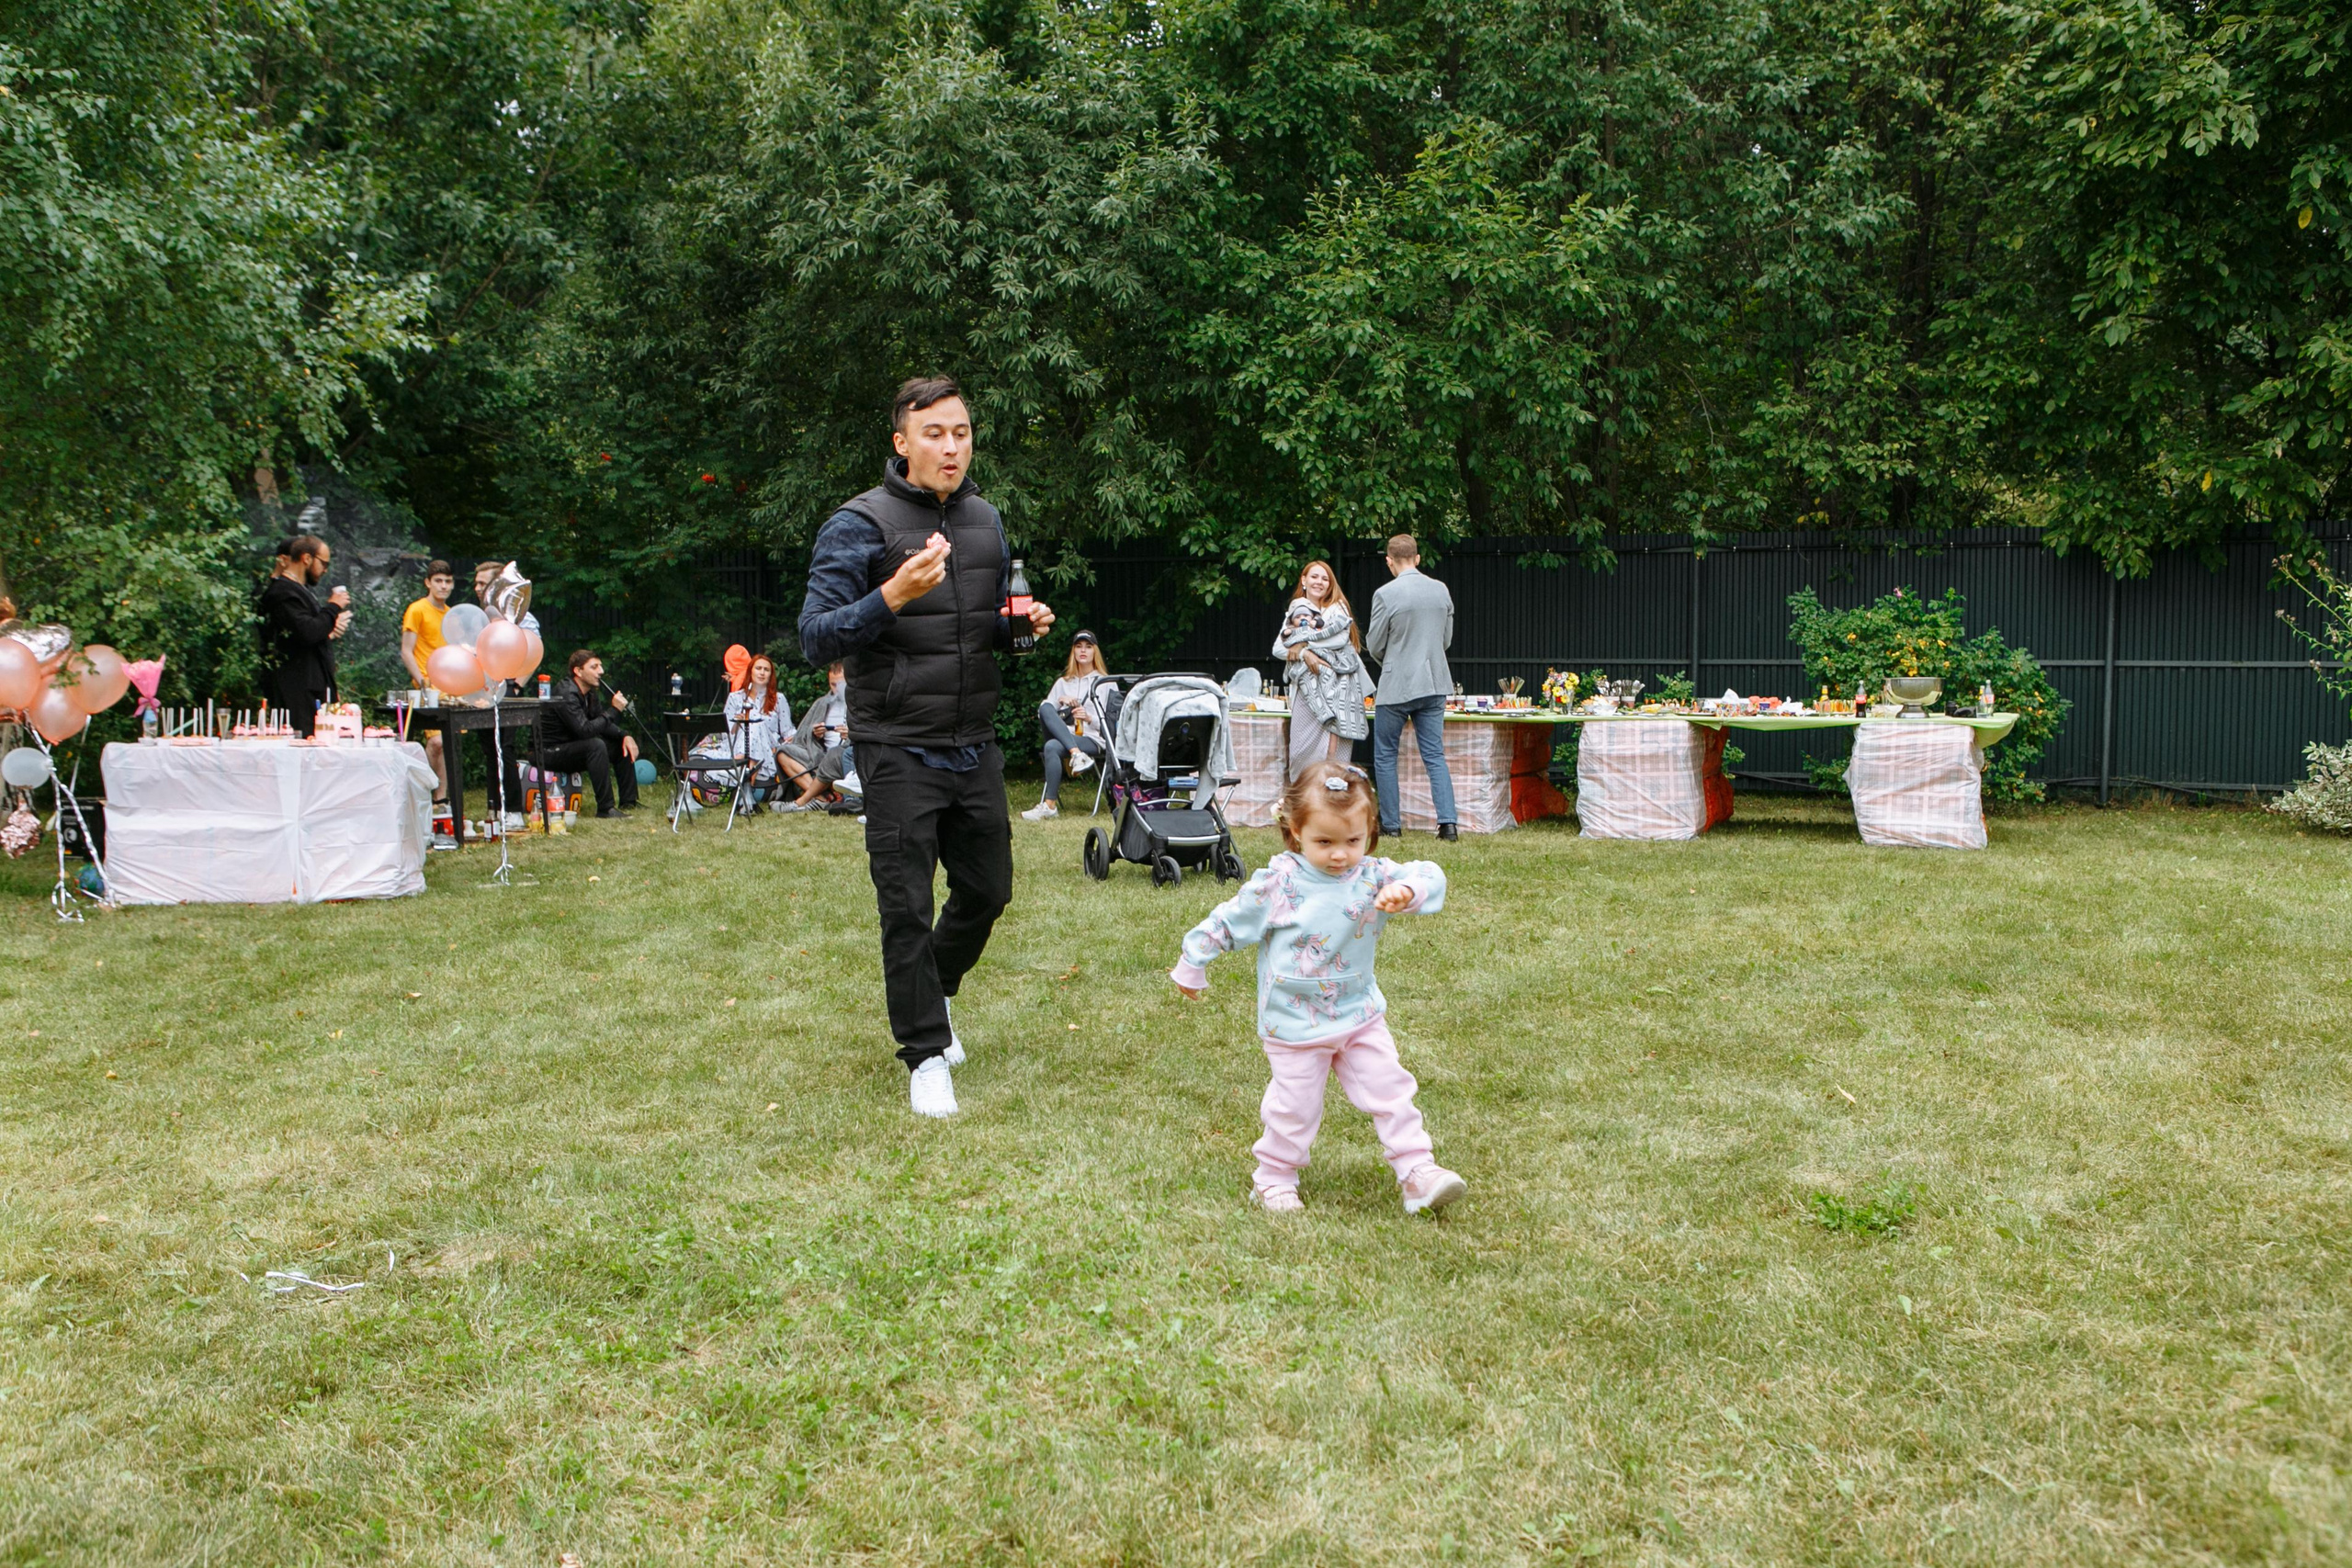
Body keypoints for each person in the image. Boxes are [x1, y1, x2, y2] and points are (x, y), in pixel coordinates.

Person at [798, 375, 1056, 1119]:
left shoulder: (984, 518)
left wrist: (1019, 629)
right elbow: (817, 634)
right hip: (895, 742)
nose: (951, 446)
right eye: (935, 433)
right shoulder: (859, 524)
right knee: (905, 904)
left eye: (962, 432)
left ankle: (934, 992)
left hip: (972, 741)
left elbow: (981, 628)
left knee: (989, 890)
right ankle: (924, 1053)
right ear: (901, 442)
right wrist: (892, 596)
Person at [1170, 761, 1466, 1216]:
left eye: (1353, 841)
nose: (1340, 855)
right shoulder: (1280, 883)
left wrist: (1407, 889)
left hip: (1359, 1013)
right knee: (1295, 1108)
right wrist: (1193, 962)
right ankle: (1273, 1179)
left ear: (1369, 831)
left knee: (1392, 1090)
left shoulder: (1373, 875)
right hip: (1293, 1022)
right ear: (1294, 832)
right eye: (1324, 842)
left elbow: (1432, 875)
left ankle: (1416, 1171)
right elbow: (1229, 922)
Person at [1364, 534, 1459, 841]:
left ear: (1389, 561)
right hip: (1434, 682)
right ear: (1418, 559)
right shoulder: (1440, 589)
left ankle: (1392, 825)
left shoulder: (1385, 594)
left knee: (1386, 756)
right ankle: (1448, 824)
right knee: (1434, 754)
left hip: (1396, 685)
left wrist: (1392, 660)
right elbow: (1445, 641)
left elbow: (1374, 644)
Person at [1273, 560, 1371, 779]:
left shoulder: (1337, 608)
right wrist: (1304, 655)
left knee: (1333, 756)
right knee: (1300, 752)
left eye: (1325, 578)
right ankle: (1304, 802)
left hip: (1338, 692)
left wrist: (1303, 644)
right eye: (1315, 577)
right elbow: (1278, 648)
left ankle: (1334, 804)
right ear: (1304, 580)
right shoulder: (1295, 612)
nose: (1320, 582)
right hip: (1306, 695)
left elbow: (1340, 639)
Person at [256, 534, 350, 737]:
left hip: (313, 687)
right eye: (323, 563)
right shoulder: (282, 592)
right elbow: (308, 632)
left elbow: (313, 634)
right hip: (297, 690)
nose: (325, 570)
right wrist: (333, 607)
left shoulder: (300, 590)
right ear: (307, 558)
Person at [1022, 630, 1112, 820]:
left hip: (1092, 737)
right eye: (1078, 647)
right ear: (1073, 652)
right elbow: (1043, 714)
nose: (1083, 651)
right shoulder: (1063, 682)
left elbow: (1110, 724)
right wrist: (1062, 700)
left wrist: (1088, 717)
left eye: (1088, 647)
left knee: (1051, 746)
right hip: (1067, 734)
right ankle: (1076, 754)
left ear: (1095, 651)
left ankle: (1050, 805)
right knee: (1046, 706)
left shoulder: (1105, 683)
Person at [545, 650, 640, 818]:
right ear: (578, 671)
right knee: (596, 745)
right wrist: (614, 710)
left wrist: (624, 735)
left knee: (620, 745)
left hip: (572, 749)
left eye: (600, 666)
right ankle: (606, 808)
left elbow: (601, 723)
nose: (601, 671)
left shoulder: (588, 693)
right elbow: (585, 730)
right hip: (550, 751)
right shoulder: (567, 693)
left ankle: (629, 801)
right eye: (594, 667)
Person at [686, 649, 793, 798]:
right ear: (751, 672)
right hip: (738, 744)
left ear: (771, 675)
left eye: (766, 670)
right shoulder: (735, 698)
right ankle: (746, 789)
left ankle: (740, 780)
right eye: (758, 668)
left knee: (756, 725)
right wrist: (738, 722)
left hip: (768, 747)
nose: (762, 673)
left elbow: (788, 731)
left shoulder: (778, 699)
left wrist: (793, 740)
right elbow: (726, 733)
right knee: (750, 725)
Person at [401, 560, 457, 801]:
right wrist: (421, 680)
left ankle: (441, 799)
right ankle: (428, 794)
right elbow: (406, 651)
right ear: (428, 583)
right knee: (436, 741)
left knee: (446, 742)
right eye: (438, 581)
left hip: (450, 686)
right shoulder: (417, 609)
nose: (444, 586)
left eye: (448, 581)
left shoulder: (452, 614)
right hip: (426, 687)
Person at [775, 660, 855, 808]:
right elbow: (801, 736)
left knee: (837, 753)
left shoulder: (858, 703)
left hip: (843, 758)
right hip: (817, 756)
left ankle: (806, 799)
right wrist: (815, 734)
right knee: (783, 752)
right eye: (833, 685)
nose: (838, 690)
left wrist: (851, 735)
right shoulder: (822, 703)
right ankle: (822, 796)